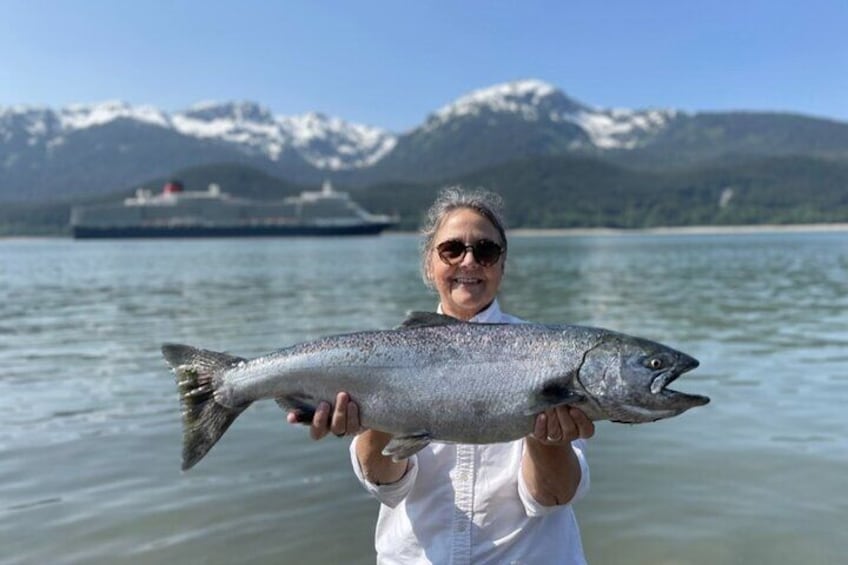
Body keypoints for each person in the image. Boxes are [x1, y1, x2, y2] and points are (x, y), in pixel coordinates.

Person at [287, 186, 595, 564]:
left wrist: (549, 439)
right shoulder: (383, 356)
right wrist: (371, 418)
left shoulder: (548, 354)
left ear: (502, 265)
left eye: (485, 250)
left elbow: (552, 497)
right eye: (452, 249)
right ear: (429, 265)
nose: (469, 262)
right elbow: (387, 484)